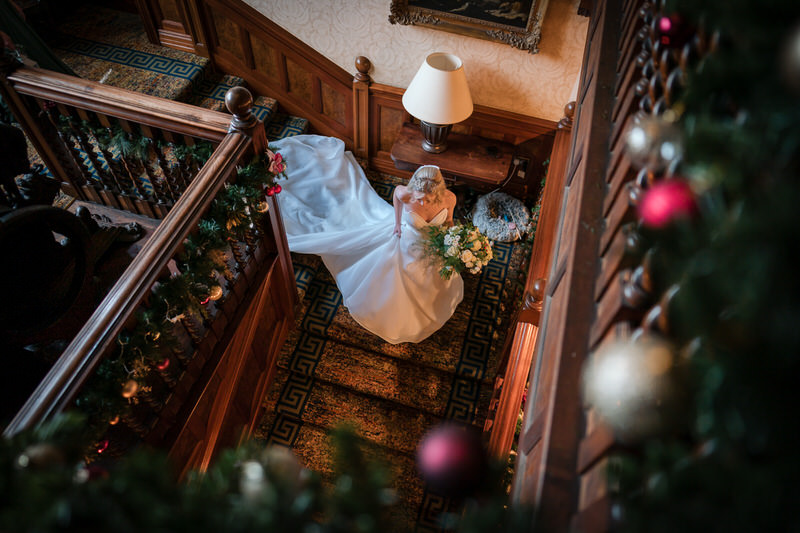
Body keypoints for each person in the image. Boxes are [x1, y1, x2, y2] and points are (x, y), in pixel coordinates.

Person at [272, 135, 464, 344]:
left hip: (433, 246)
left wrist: (453, 238)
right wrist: (397, 224)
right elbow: (396, 200)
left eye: (426, 197)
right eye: (418, 195)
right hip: (406, 242)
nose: (421, 200)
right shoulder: (406, 193)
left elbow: (450, 220)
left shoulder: (449, 198)